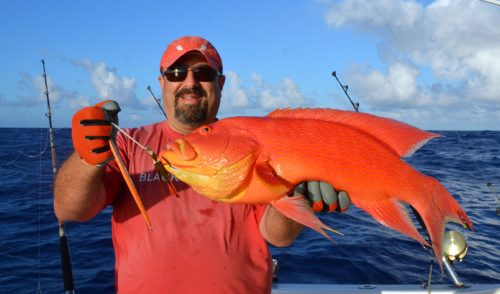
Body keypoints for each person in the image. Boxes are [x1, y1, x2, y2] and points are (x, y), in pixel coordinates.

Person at [54, 36, 350, 294]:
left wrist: (298, 196)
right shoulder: (128, 145)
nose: (190, 82)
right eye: (177, 73)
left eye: (204, 72)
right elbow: (69, 210)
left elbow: (278, 236)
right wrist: (88, 157)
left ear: (220, 83)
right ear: (161, 83)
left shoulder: (250, 143)